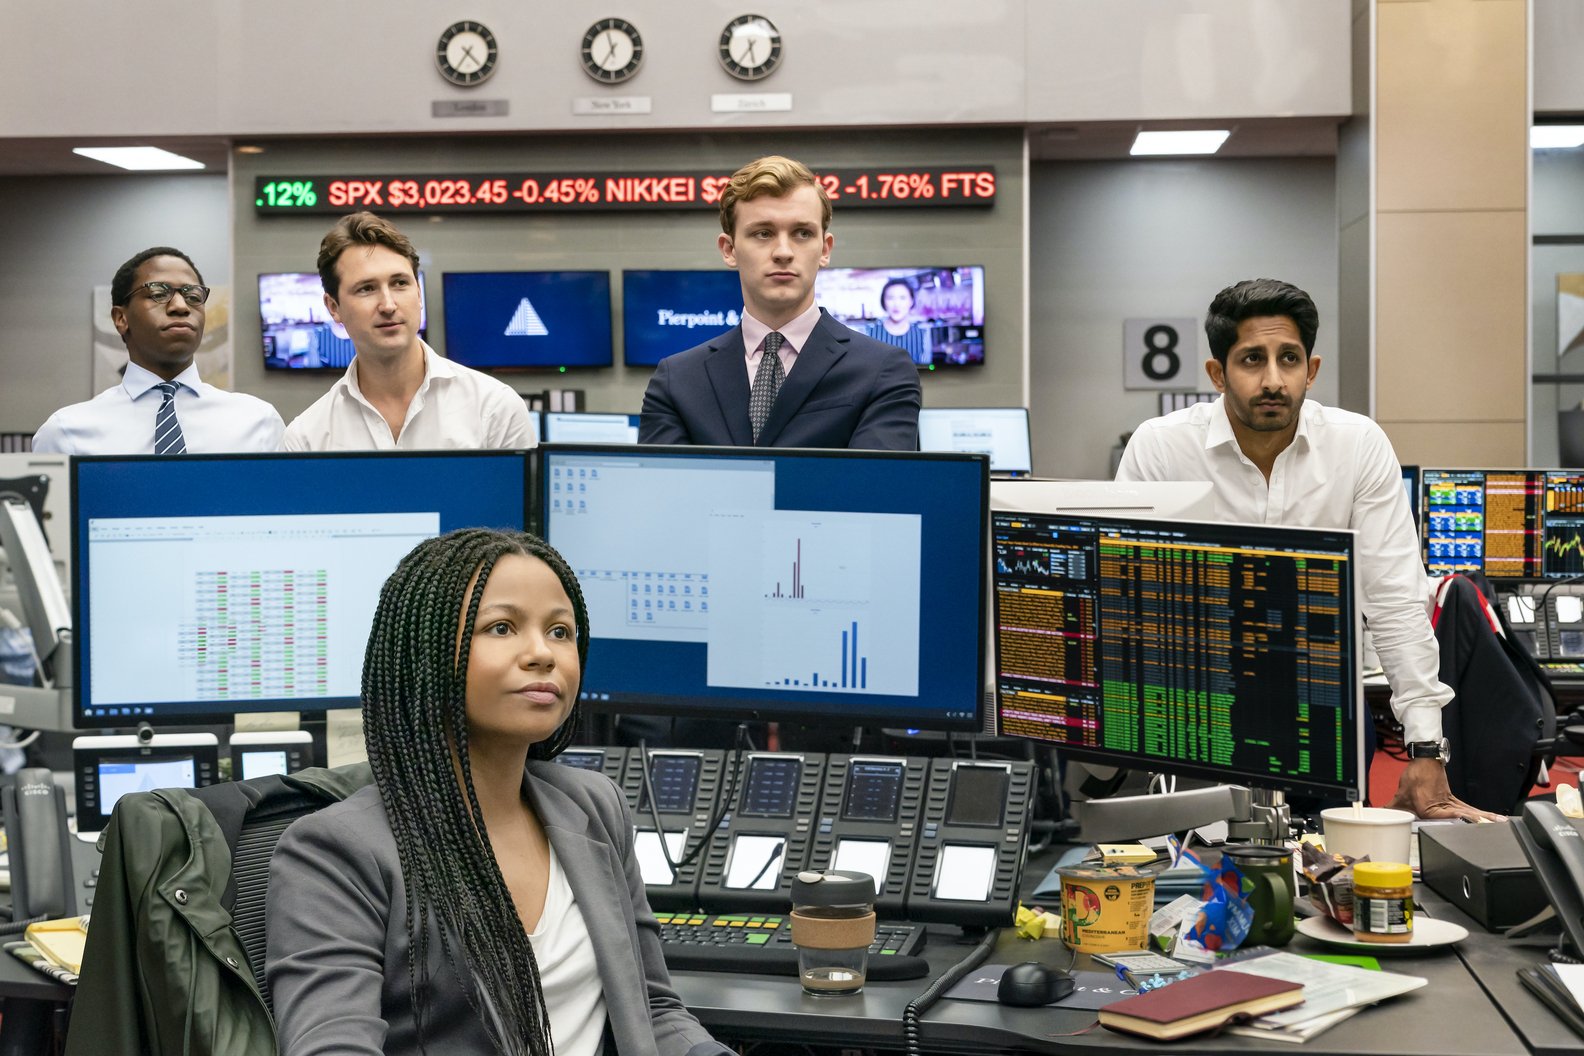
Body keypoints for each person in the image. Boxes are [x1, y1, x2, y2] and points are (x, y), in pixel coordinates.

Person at [266, 528, 732, 1056]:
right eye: (503, 627)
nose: (543, 654)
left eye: (561, 631)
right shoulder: (336, 852)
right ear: (427, 653)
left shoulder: (595, 807)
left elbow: (651, 1010)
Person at [1116, 278, 1502, 822]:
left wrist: (1424, 747)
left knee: (1325, 870)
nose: (1273, 379)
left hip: (1321, 706)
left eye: (1288, 359)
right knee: (1188, 874)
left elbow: (1393, 599)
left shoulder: (1357, 445)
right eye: (1252, 359)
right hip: (1194, 707)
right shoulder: (1160, 448)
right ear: (1217, 373)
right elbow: (1126, 604)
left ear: (1311, 370)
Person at [639, 155, 920, 450]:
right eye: (763, 233)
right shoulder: (678, 379)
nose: (783, 252)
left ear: (825, 249)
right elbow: (665, 491)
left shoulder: (883, 371)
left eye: (802, 233)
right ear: (729, 249)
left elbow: (873, 492)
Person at [284, 213, 535, 451]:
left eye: (400, 283)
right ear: (334, 308)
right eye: (366, 289)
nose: (389, 305)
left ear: (418, 293)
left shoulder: (494, 408)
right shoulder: (307, 437)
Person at [32, 247, 284, 454]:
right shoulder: (67, 434)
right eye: (158, 293)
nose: (180, 306)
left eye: (193, 296)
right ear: (121, 318)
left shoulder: (257, 423)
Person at [865, 277, 932, 366]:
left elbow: (926, 369)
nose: (896, 304)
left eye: (902, 298)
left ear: (911, 301)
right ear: (883, 301)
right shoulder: (870, 332)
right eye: (890, 298)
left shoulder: (922, 333)